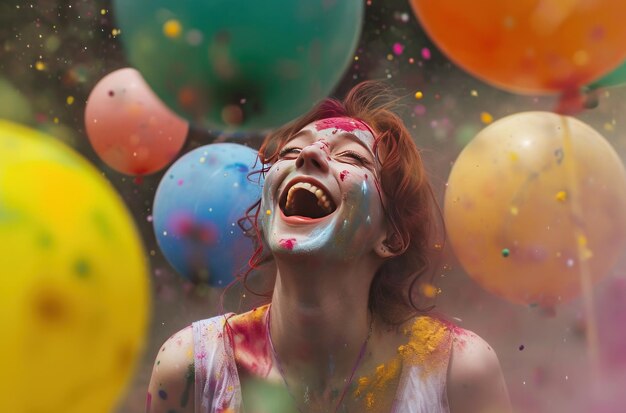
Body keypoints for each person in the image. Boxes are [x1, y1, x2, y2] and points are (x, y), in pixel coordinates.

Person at [146, 81, 512, 413]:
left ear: (392, 237)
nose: (310, 156)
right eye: (290, 151)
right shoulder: (192, 368)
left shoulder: (456, 372)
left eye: (352, 157)